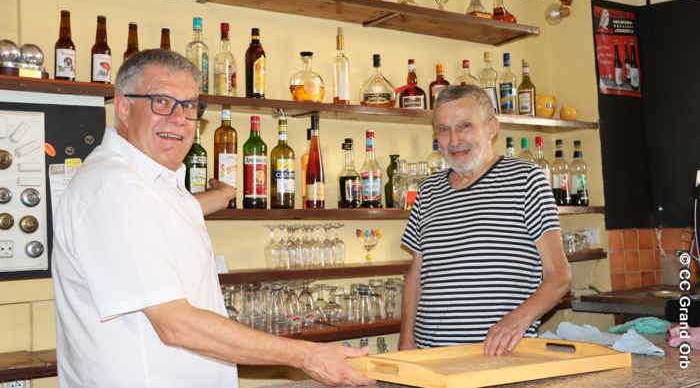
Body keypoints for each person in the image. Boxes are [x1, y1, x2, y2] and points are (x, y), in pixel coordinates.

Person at [51, 49, 372, 388]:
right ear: (123, 107)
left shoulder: (151, 182)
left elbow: (172, 214)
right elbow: (175, 325)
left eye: (189, 106)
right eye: (162, 102)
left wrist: (221, 196)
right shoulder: (115, 188)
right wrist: (306, 355)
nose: (178, 118)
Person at [398, 84, 572, 356]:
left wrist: (517, 320)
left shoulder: (526, 180)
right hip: (432, 360)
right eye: (444, 129)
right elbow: (415, 276)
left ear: (492, 127)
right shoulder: (429, 190)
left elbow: (560, 276)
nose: (454, 140)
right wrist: (406, 342)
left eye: (465, 126)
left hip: (501, 356)